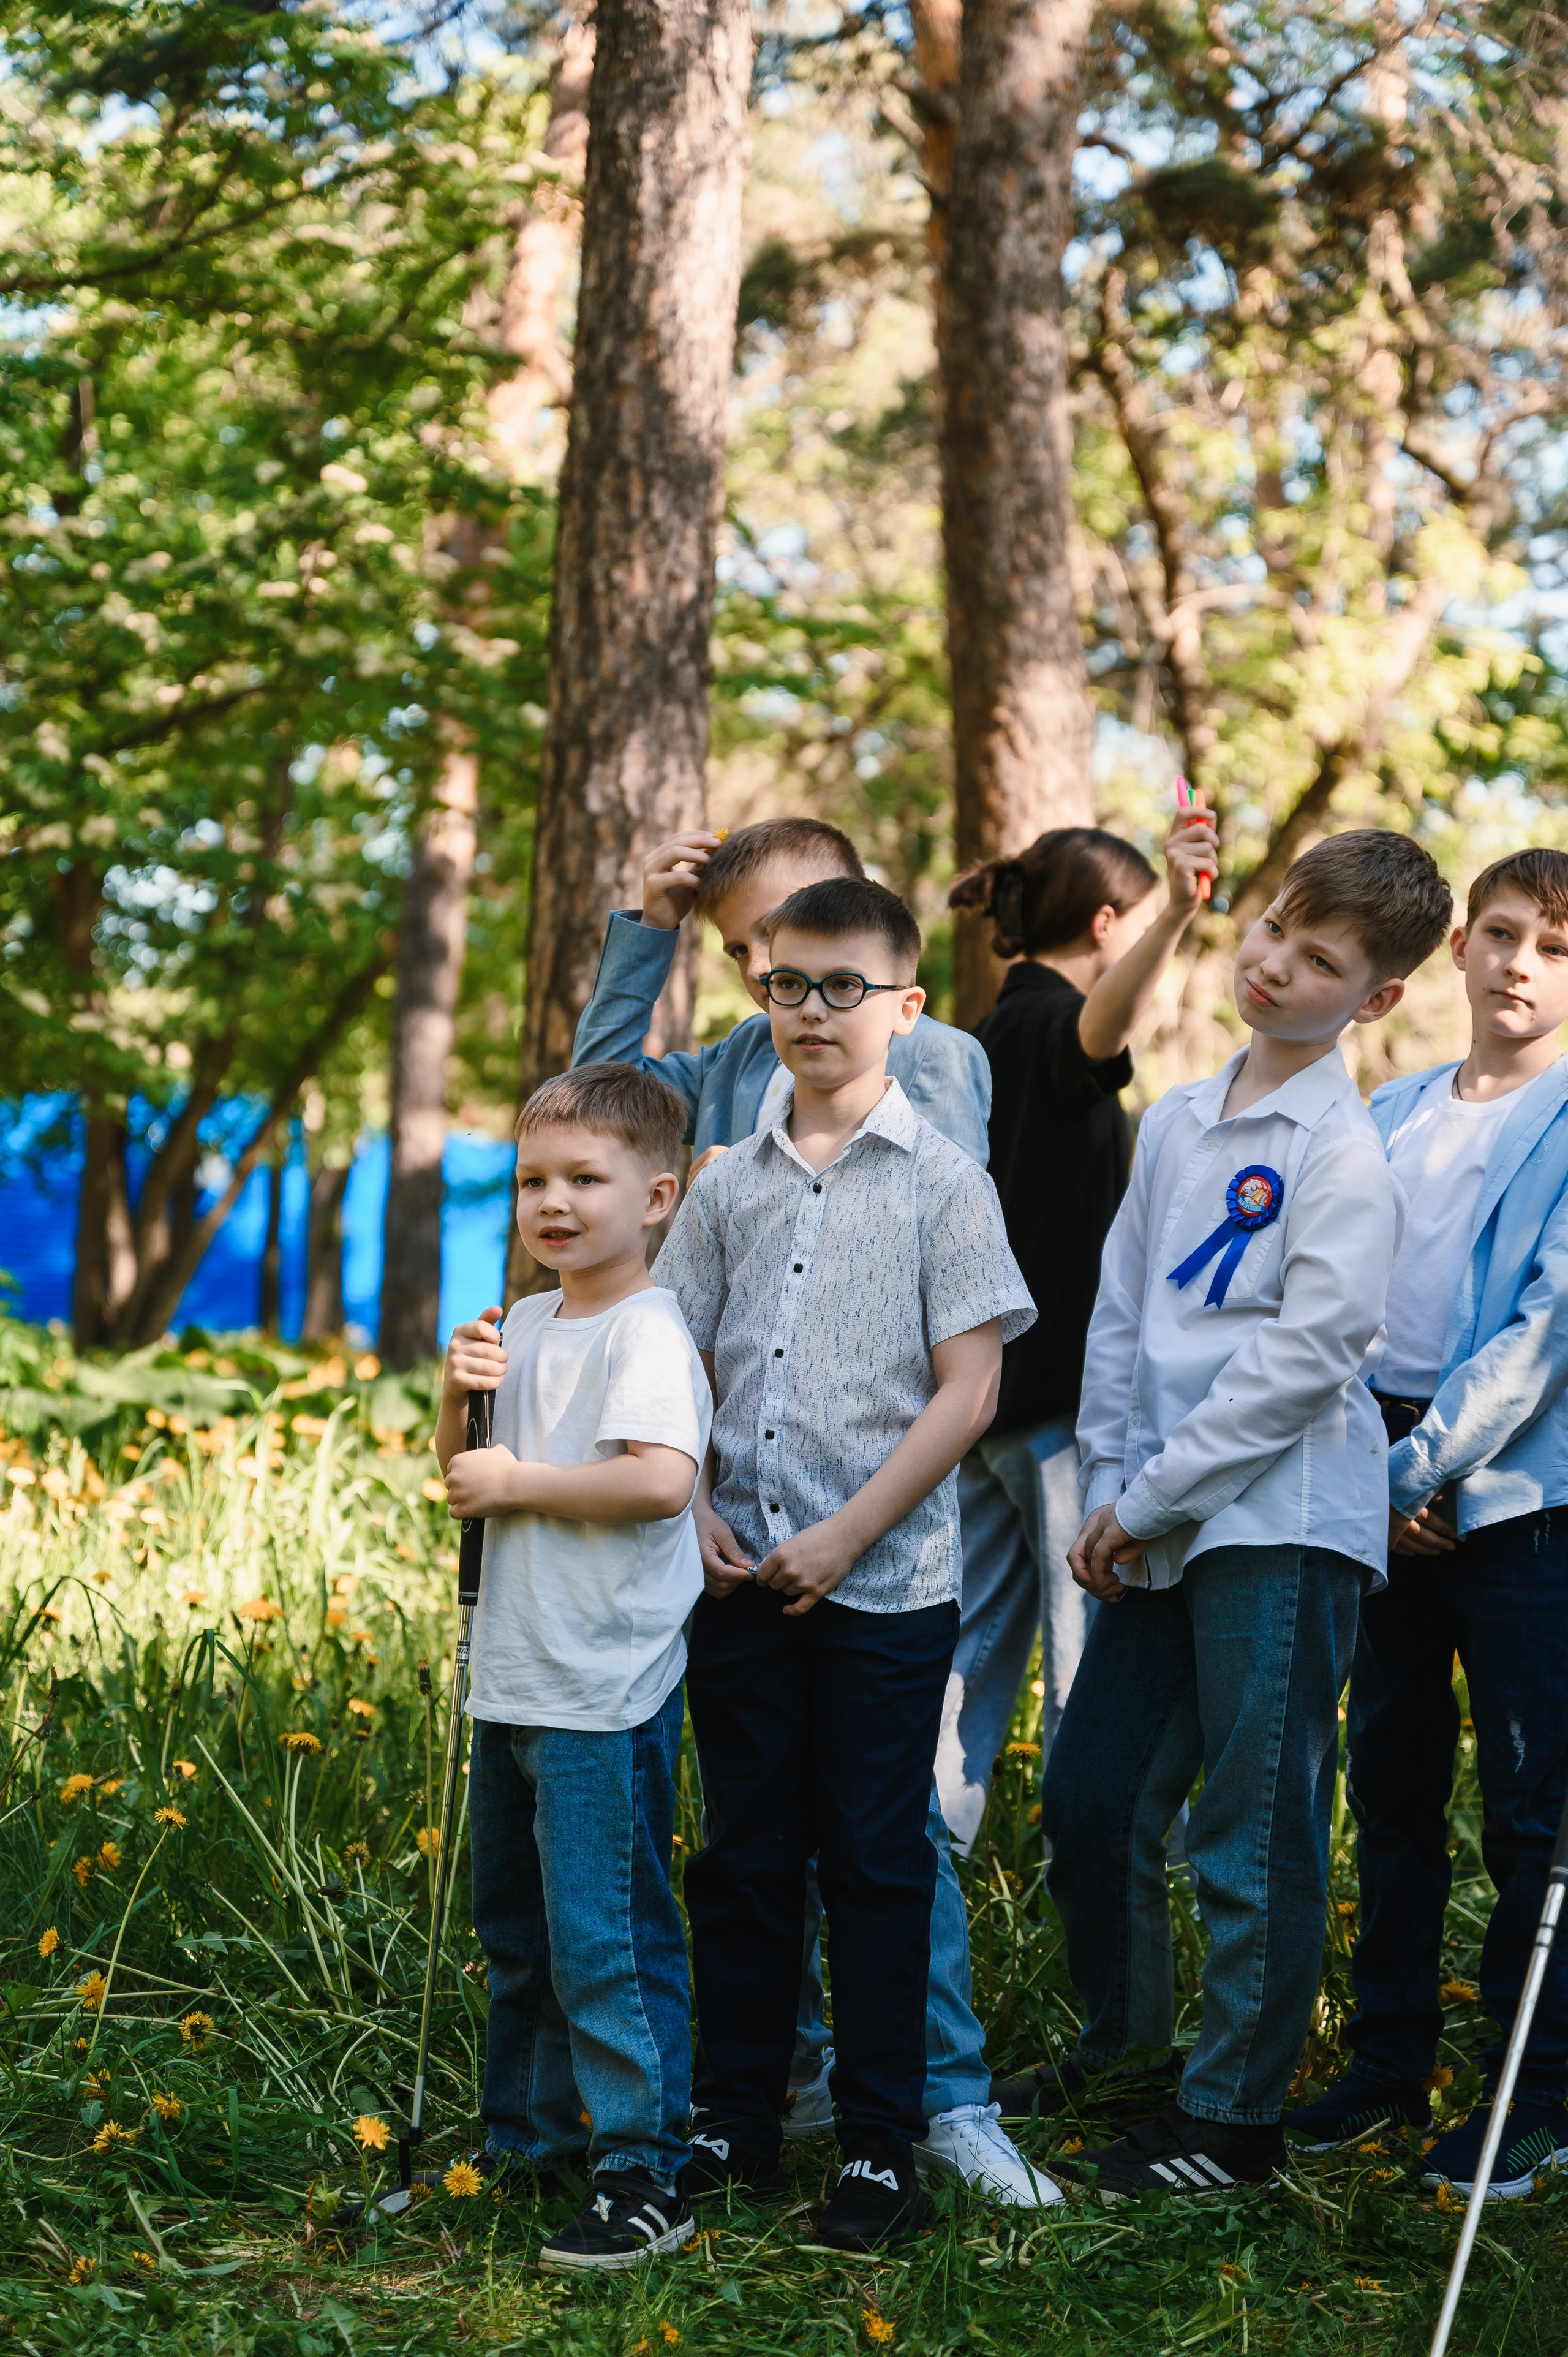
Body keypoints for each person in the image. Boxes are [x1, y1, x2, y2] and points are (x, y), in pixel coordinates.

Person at [573, 819, 1047, 2209]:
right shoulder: (722, 1179)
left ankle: (882, 2134)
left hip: (885, 1574)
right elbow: (680, 1352)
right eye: (778, 982)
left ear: (901, 1003)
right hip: (738, 1573)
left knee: (878, 1854)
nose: (805, 1007)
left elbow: (966, 1388)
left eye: (839, 984)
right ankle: (729, 2121)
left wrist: (845, 1534)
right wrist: (704, 1506)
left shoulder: (942, 1170)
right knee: (745, 1851)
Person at [1042, 830, 1453, 2200]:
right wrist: (1109, 1490)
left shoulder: (1341, 1155)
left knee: (1250, 1819)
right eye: (1277, 929)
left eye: (1322, 960)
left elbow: (1303, 1361)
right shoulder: (1174, 1122)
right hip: (1152, 1511)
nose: (1276, 964)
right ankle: (1127, 2060)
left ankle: (1230, 2125)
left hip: (1273, 1520)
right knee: (1092, 1795)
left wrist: (1153, 1495)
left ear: (1375, 999)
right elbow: (1119, 1318)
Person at [1285, 847, 1568, 2197]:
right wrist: (1363, 1475)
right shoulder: (1384, 1107)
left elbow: (1540, 1334)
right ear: (1453, 947)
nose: (1520, 964)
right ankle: (1383, 2062)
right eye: (1502, 933)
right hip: (1372, 1479)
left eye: (1554, 948)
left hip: (1511, 1501)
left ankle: (1532, 2092)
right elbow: (1326, 1298)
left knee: (1528, 1807)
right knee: (1387, 1788)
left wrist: (1417, 1476)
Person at [435, 1062, 711, 2272]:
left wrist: (519, 1481)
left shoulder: (645, 1331)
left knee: (601, 1932)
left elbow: (660, 1481)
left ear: (655, 1196)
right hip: (513, 1675)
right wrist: (460, 1405)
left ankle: (642, 2166)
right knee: (517, 1929)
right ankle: (527, 2138)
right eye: (534, 1178)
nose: (553, 1201)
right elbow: (464, 1478)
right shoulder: (525, 1323)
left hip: (601, 1688)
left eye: (583, 1180)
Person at [937, 811, 1218, 1880]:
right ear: (1108, 923)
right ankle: (1095, 1904)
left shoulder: (982, 1033)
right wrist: (1184, 913)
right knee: (1081, 1668)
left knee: (965, 1662)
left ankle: (923, 1884)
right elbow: (1098, 1033)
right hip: (1053, 1416)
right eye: (1137, 922)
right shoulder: (1047, 1027)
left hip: (982, 1408)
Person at [571, 815, 990, 1167]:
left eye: (773, 931)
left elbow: (946, 1225)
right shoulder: (740, 1056)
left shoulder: (934, 1053)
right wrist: (652, 929)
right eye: (738, 950)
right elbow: (599, 1101)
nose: (756, 967)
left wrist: (745, 1193)